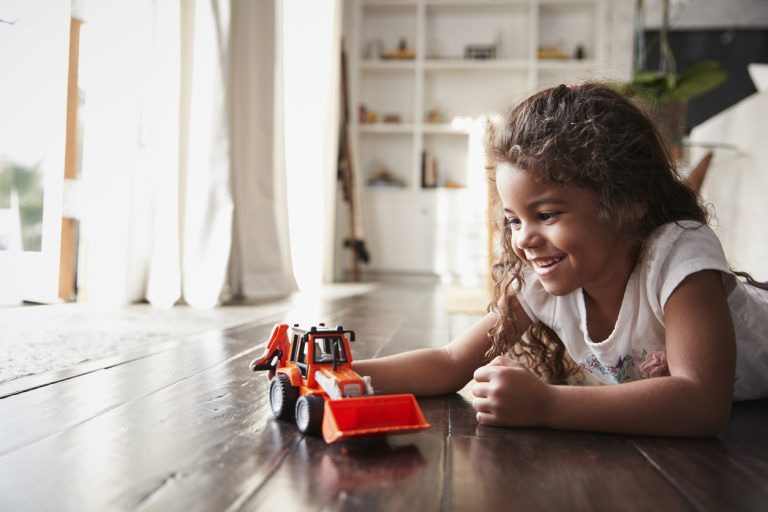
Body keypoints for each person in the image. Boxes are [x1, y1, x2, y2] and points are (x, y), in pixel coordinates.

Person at [353, 82, 768, 437]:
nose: (523, 240)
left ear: (626, 202)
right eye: (513, 220)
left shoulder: (678, 254)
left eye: (546, 215)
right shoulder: (548, 280)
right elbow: (449, 361)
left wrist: (547, 405)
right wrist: (333, 372)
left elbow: (702, 402)